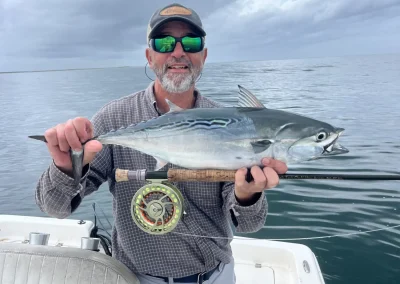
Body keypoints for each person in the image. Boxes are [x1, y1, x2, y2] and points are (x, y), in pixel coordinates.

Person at [35, 3, 288, 284]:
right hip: (135, 278)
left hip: (215, 277)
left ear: (203, 55)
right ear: (149, 55)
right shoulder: (115, 117)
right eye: (164, 42)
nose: (178, 52)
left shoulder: (231, 124)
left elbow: (251, 224)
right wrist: (65, 167)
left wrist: (247, 194)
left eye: (191, 42)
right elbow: (55, 208)